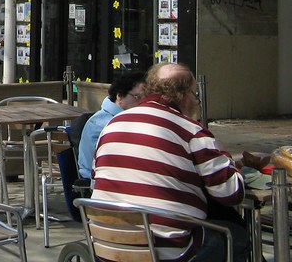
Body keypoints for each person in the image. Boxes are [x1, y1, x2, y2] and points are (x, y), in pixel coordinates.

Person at [91, 63, 248, 262]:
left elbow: (95, 180)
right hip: (167, 252)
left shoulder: (112, 125)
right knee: (235, 235)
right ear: (184, 96)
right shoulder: (191, 131)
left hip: (106, 244)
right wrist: (223, 155)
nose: (196, 101)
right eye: (195, 95)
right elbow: (231, 193)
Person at [77, 70, 146, 180]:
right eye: (137, 97)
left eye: (145, 99)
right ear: (119, 96)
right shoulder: (101, 124)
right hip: (97, 184)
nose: (142, 103)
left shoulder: (130, 119)